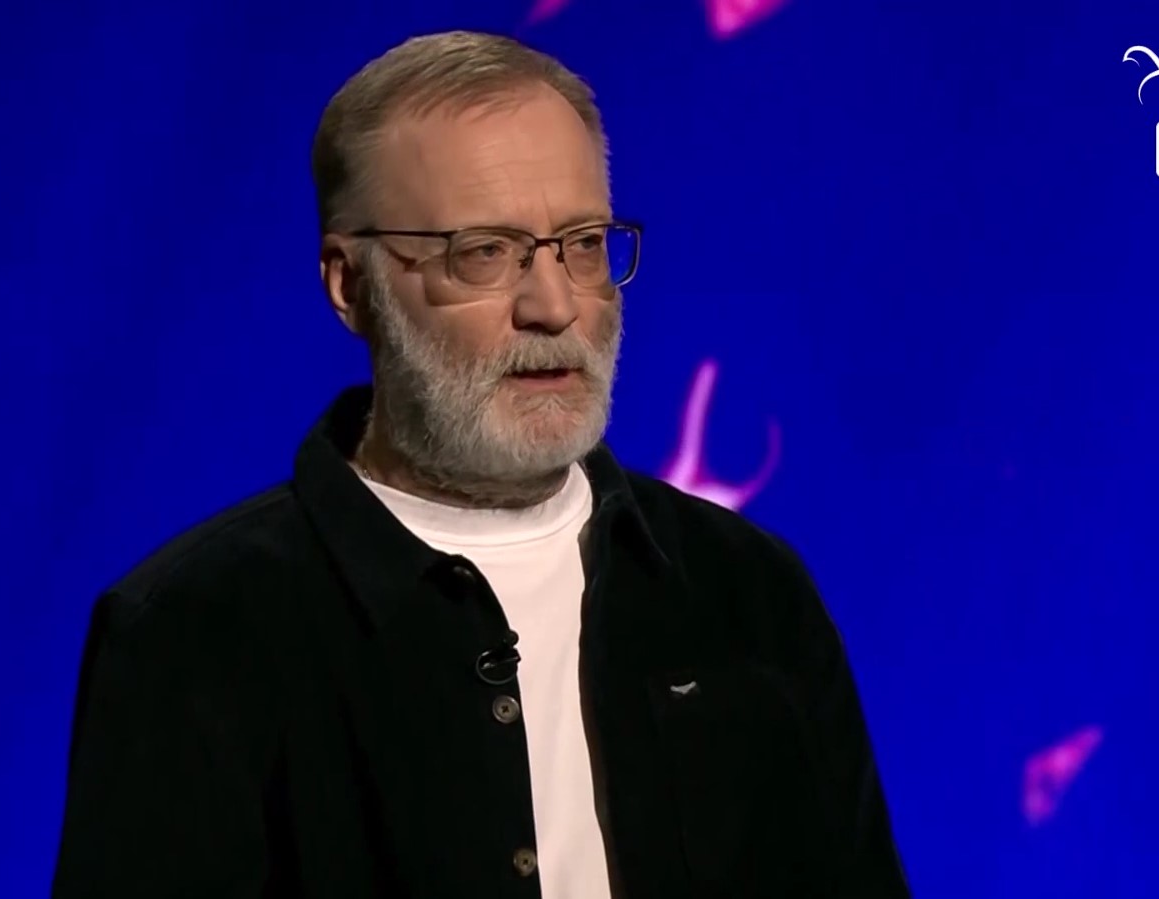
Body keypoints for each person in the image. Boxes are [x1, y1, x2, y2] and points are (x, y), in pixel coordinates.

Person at [51, 30, 908, 898]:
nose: (554, 304)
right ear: (350, 285)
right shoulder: (196, 631)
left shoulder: (745, 590)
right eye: (484, 252)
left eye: (582, 243)